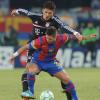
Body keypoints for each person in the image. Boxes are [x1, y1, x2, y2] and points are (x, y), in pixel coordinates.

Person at [11, 1, 83, 99]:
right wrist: (17, 10)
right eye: (46, 12)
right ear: (42, 11)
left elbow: (64, 26)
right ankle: (27, 92)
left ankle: (70, 96)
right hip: (34, 48)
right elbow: (25, 12)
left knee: (63, 77)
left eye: (50, 13)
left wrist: (75, 33)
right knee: (28, 70)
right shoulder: (35, 16)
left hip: (48, 50)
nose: (47, 15)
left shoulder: (55, 20)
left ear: (53, 13)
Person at [10, 26, 96, 100]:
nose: (48, 40)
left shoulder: (62, 38)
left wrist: (86, 37)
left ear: (55, 37)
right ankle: (30, 92)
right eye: (47, 37)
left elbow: (76, 37)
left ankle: (75, 98)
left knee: (66, 79)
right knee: (31, 70)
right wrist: (14, 55)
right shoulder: (40, 41)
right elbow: (25, 47)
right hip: (38, 62)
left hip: (51, 62)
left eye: (50, 39)